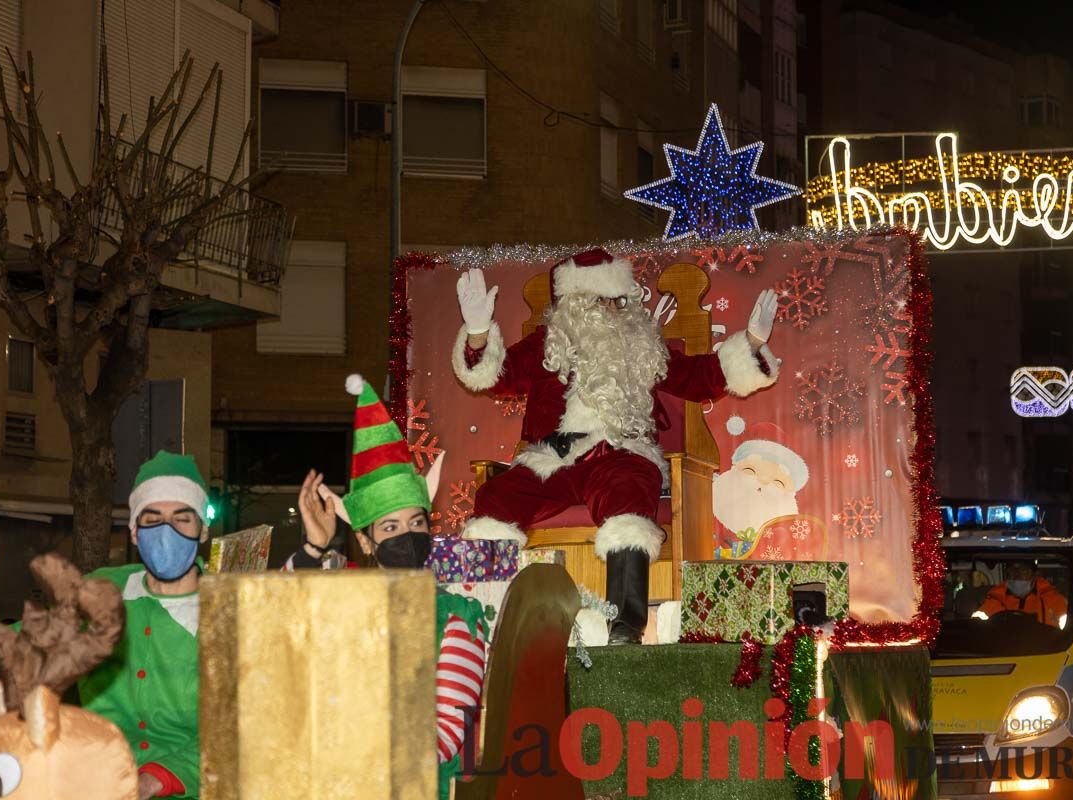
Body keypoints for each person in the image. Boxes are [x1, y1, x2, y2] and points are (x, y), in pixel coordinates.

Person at [453, 247, 781, 643]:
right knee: (495, 496)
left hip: (619, 454)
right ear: (572, 304)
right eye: (600, 300)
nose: (611, 308)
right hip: (552, 457)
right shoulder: (548, 344)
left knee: (629, 493)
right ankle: (485, 622)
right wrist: (477, 333)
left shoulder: (641, 346)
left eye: (617, 300)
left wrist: (751, 342)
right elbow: (497, 377)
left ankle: (625, 626)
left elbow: (699, 377)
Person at [282, 376, 488, 800]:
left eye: (415, 524)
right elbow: (277, 625)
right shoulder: (345, 601)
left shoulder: (457, 616)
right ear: (365, 540)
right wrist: (313, 546)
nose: (406, 536)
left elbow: (444, 736)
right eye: (390, 527)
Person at [0, 450, 207, 799]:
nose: (167, 530)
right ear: (135, 532)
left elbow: (240, 729)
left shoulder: (228, 612)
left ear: (204, 528)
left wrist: (157, 777)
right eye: (152, 519)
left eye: (182, 518)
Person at [973, 561, 1068, 628]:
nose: (1017, 575)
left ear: (1035, 575)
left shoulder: (1054, 601)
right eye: (1012, 571)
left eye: (1023, 571)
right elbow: (976, 630)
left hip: (1047, 653)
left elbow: (1069, 633)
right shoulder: (994, 601)